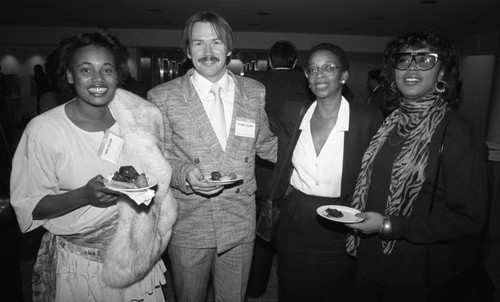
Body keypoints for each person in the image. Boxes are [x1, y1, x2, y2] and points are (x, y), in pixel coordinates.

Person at [10, 29, 177, 302]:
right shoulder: (44, 130)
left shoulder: (136, 123)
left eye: (107, 70)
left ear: (117, 76)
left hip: (137, 252)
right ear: (70, 76)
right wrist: (83, 196)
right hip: (81, 263)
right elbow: (29, 205)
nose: (98, 79)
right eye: (86, 70)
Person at [346, 31, 488, 302]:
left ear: (442, 73)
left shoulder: (457, 132)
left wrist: (389, 225)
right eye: (404, 60)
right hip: (370, 261)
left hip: (418, 273)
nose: (411, 67)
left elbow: (470, 219)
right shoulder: (390, 123)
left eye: (425, 59)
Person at [148, 11, 277, 302]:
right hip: (191, 221)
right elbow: (157, 157)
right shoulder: (162, 96)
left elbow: (266, 144)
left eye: (216, 42)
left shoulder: (254, 92)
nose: (208, 52)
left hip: (239, 219)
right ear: (187, 49)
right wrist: (184, 174)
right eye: (198, 43)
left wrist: (312, 143)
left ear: (228, 47)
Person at [274, 42, 383, 301]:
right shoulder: (294, 112)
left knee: (336, 288)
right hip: (296, 215)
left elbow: (377, 172)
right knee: (292, 285)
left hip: (342, 218)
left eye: (328, 68)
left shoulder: (367, 118)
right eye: (312, 69)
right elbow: (276, 152)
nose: (319, 75)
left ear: (344, 75)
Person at [246, 40, 314, 299]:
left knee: (261, 232)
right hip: (298, 168)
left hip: (260, 168)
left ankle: (255, 288)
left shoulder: (255, 83)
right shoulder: (308, 84)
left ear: (270, 60)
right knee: (293, 236)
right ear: (295, 62)